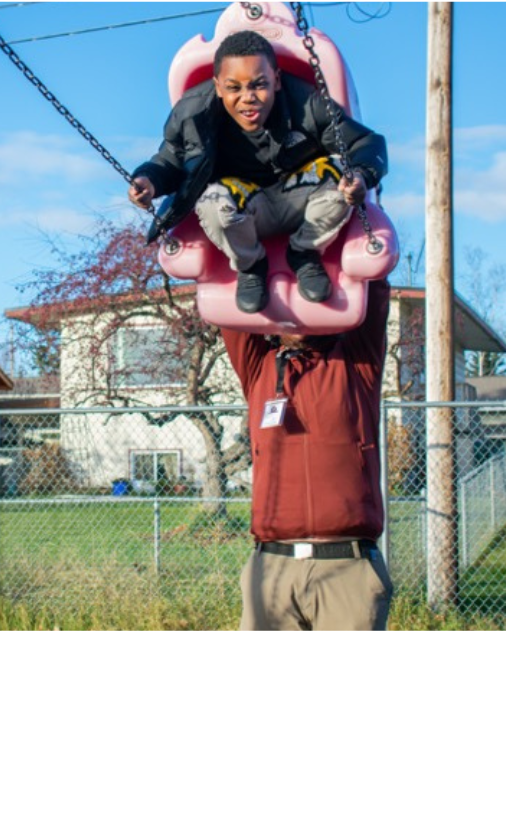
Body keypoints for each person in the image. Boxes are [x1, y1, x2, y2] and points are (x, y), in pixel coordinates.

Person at [130, 31, 387, 314]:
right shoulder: (193, 115)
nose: (247, 98)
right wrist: (148, 181)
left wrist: (361, 176)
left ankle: (304, 251)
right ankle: (251, 264)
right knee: (212, 200)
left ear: (276, 80)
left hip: (301, 203)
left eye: (259, 85)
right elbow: (171, 159)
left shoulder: (308, 104)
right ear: (217, 87)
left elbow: (364, 143)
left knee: (341, 170)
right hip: (246, 210)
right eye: (234, 88)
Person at [220, 279, 394, 630]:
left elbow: (374, 289)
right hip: (272, 568)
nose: (294, 309)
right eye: (287, 295)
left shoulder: (357, 362)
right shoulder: (259, 367)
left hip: (346, 569)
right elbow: (230, 299)